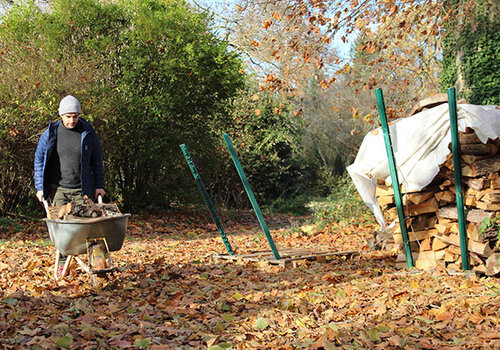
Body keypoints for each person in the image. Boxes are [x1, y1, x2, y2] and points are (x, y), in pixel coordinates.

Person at [34, 95, 105, 207]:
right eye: (68, 117)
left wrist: (99, 186)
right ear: (61, 115)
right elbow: (39, 160)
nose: (72, 120)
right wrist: (40, 187)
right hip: (58, 191)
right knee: (61, 222)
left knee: (83, 223)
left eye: (75, 117)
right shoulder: (50, 134)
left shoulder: (88, 134)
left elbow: (97, 160)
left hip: (81, 192)